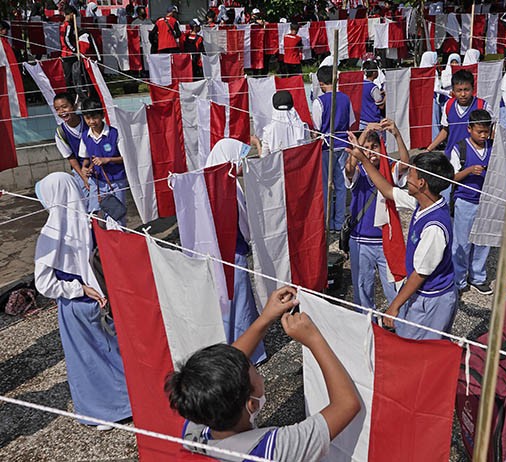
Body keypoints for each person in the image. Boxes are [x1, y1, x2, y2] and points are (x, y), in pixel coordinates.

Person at [166, 286, 361, 461]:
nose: (261, 375)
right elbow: (346, 404)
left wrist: (265, 318)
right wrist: (313, 339)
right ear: (251, 404)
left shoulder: (198, 418)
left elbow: (229, 362)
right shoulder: (274, 450)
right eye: (256, 372)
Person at [34, 172, 131, 430]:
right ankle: (126, 400)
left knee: (87, 359)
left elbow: (43, 283)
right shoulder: (88, 222)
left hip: (74, 302)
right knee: (107, 349)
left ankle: (105, 412)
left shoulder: (52, 231)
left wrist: (77, 288)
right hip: (96, 297)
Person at [348, 147, 457, 340]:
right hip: (423, 295)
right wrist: (363, 159)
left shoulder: (434, 228)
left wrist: (394, 306)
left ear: (422, 183)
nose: (407, 178)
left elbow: (420, 274)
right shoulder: (423, 202)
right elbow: (388, 190)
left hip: (432, 298)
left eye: (411, 174)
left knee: (419, 348)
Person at [205, 138, 266, 364]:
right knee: (239, 307)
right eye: (239, 159)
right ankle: (245, 352)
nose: (242, 164)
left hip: (213, 258)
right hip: (234, 255)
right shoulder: (230, 187)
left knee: (224, 307)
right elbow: (244, 224)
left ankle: (227, 350)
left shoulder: (205, 183)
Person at [344, 120, 409, 310]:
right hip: (360, 239)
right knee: (362, 288)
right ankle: (368, 325)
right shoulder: (358, 170)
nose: (371, 151)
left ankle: (397, 322)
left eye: (374, 146)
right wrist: (363, 136)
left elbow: (405, 163)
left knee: (394, 287)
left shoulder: (389, 168)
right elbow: (349, 168)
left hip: (384, 240)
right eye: (366, 148)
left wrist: (397, 134)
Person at [449, 109, 493, 295]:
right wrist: (468, 171)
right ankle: (458, 280)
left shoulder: (493, 148)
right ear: (469, 129)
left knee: (483, 240)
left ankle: (478, 277)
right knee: (462, 242)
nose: (483, 136)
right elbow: (451, 177)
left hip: (487, 202)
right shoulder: (460, 148)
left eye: (486, 132)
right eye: (479, 132)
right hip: (465, 201)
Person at [313, 66, 356, 232]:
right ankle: (338, 222)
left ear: (321, 83)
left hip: (326, 147)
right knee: (340, 184)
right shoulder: (345, 99)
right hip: (342, 144)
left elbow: (317, 127)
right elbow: (351, 120)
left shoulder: (320, 101)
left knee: (325, 186)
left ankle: (328, 221)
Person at [78, 98, 128, 226]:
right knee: (96, 215)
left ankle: (121, 241)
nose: (91, 122)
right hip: (97, 182)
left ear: (102, 116)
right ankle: (102, 242)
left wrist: (108, 159)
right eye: (87, 118)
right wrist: (85, 169)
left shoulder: (114, 133)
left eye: (95, 118)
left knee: (118, 214)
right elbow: (85, 159)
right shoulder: (85, 136)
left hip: (116, 181)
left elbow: (126, 158)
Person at [426, 69, 487, 162]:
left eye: (466, 90)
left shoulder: (482, 106)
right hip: (452, 157)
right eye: (459, 90)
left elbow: (491, 132)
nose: (463, 94)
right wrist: (429, 149)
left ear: (473, 89)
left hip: (475, 158)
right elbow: (445, 130)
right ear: (453, 91)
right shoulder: (449, 105)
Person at [53, 93, 90, 195]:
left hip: (99, 165)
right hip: (81, 171)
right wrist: (84, 177)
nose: (61, 112)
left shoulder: (89, 121)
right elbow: (71, 158)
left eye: (65, 107)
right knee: (86, 204)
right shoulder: (61, 133)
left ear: (74, 106)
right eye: (57, 109)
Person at [256, 90, 308, 156]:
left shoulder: (268, 130)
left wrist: (257, 143)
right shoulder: (303, 127)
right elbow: (307, 150)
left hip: (279, 165)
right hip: (299, 164)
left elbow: (264, 157)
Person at [360, 60, 385, 130]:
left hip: (361, 121)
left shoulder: (360, 85)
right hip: (372, 121)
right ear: (374, 73)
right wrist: (386, 96)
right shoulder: (373, 88)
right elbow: (381, 106)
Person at [61, 6, 79, 91]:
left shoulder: (63, 24)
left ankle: (71, 91)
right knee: (72, 74)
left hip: (66, 53)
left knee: (68, 75)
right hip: (68, 53)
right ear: (72, 14)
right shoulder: (68, 25)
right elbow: (66, 39)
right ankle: (71, 91)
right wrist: (74, 49)